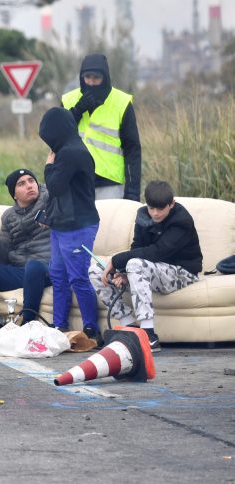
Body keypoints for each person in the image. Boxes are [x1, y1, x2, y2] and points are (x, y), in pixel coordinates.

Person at [89, 181, 202, 352]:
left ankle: (149, 335)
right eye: (151, 208)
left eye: (160, 209)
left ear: (171, 204)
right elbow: (138, 246)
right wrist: (123, 273)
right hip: (149, 269)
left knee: (133, 263)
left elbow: (158, 252)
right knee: (96, 271)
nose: (155, 214)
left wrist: (117, 261)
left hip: (181, 272)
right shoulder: (143, 215)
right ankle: (130, 327)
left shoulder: (181, 220)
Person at [38, 107, 101, 342]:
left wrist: (47, 166)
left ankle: (91, 330)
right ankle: (60, 326)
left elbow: (55, 186)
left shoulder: (72, 152)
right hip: (62, 225)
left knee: (77, 278)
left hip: (78, 226)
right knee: (58, 275)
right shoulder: (67, 149)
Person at [0, 168, 52, 325]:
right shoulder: (9, 216)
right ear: (14, 195)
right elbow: (4, 257)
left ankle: (28, 323)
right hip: (21, 271)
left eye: (31, 181)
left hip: (48, 269)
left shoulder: (51, 200)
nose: (29, 186)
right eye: (22, 184)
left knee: (34, 267)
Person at [62, 53, 141, 201]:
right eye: (87, 77)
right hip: (74, 181)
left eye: (96, 78)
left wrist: (132, 192)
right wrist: (78, 110)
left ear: (105, 78)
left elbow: (133, 149)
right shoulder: (69, 100)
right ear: (81, 77)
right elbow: (56, 135)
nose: (91, 82)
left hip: (109, 185)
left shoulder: (121, 102)